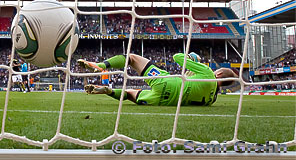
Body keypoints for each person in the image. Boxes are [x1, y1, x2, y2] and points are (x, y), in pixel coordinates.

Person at [79, 52, 239, 106]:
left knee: (132, 58)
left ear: (217, 74)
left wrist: (192, 59)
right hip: (163, 101)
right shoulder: (212, 100)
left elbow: (177, 57)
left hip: (166, 81)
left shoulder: (207, 73)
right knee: (129, 94)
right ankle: (108, 90)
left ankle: (100, 64)